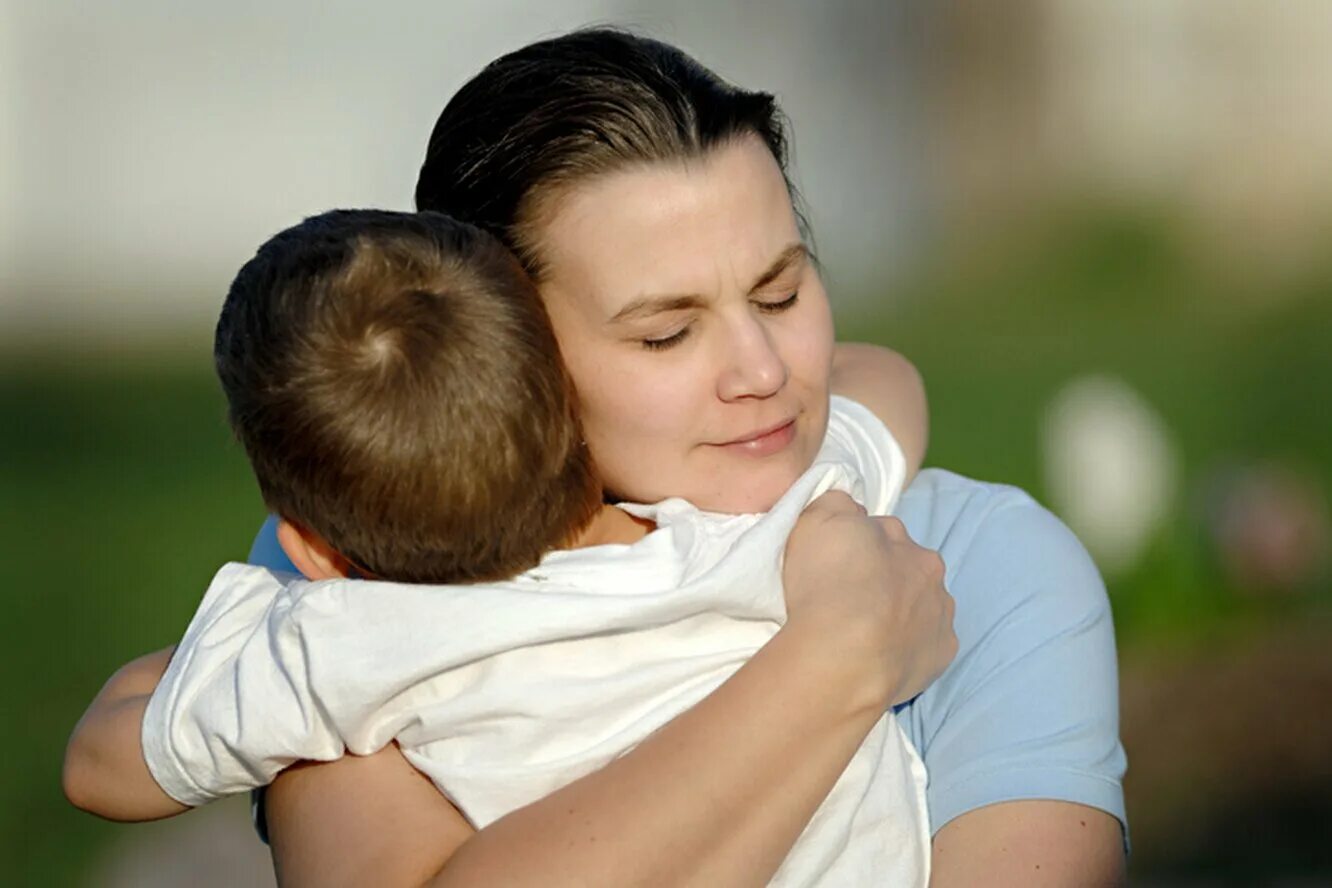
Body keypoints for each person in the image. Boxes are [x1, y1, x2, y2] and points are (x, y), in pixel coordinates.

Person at [247, 28, 1126, 887]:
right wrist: (836, 662)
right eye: (667, 334)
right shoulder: (378, 581)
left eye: (780, 292)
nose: (764, 371)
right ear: (503, 356)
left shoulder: (976, 563)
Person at [63, 206, 937, 885]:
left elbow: (99, 763)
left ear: (316, 548)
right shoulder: (765, 531)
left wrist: (276, 607)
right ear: (575, 404)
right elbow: (886, 384)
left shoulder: (344, 641)